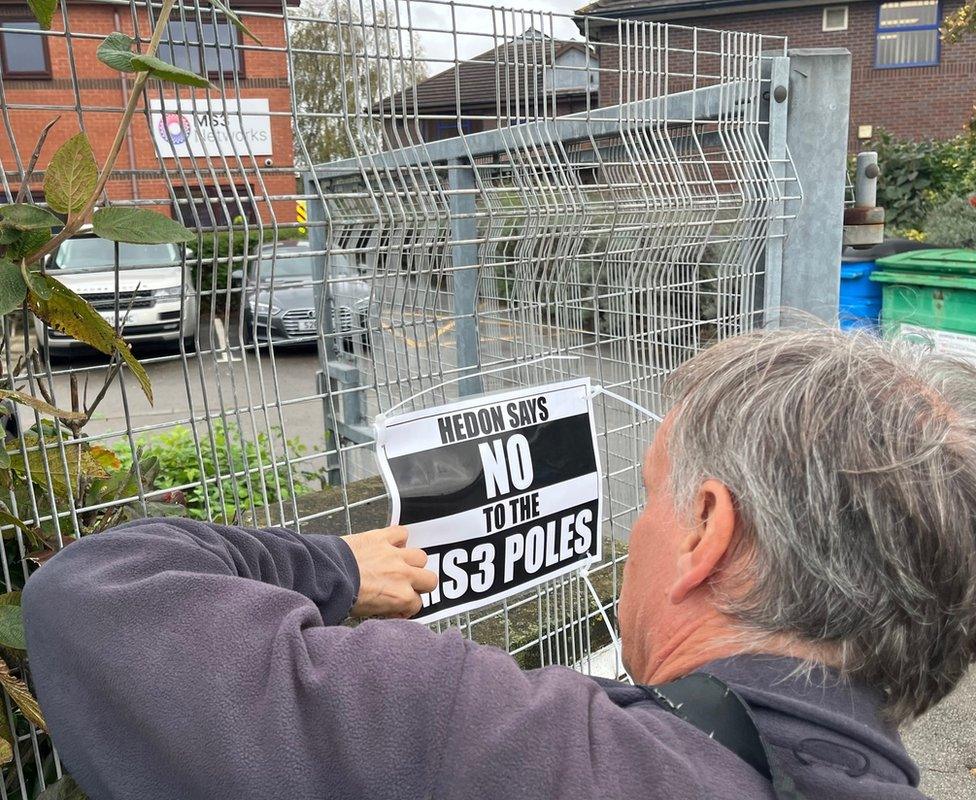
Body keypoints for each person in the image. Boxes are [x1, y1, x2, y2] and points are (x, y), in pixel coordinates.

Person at [22, 328, 976, 800]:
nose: (632, 534)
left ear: (704, 535)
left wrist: (335, 567)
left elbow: (94, 600)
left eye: (648, 499)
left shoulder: (507, 748)